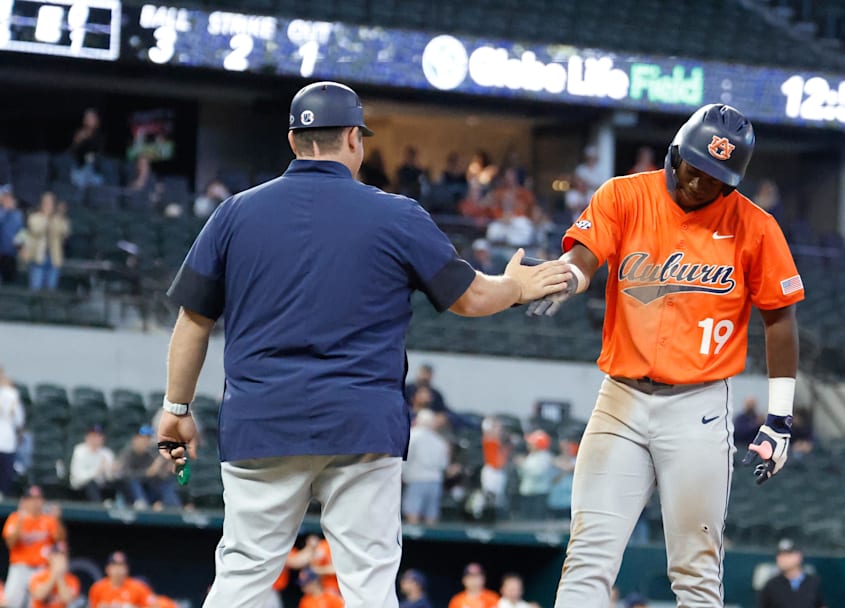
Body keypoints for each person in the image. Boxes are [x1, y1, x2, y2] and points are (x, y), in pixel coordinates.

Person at [157, 81, 571, 607]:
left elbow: (192, 322)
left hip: (263, 419)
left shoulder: (235, 213)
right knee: (369, 586)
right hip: (361, 424)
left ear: (292, 140)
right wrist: (519, 287)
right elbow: (469, 298)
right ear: (355, 138)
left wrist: (176, 409)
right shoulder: (396, 214)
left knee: (241, 576)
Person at [528, 104, 804, 607]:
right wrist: (566, 276)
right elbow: (584, 254)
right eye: (695, 168)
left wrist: (780, 418)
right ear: (675, 154)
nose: (701, 183)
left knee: (696, 572)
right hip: (622, 401)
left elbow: (780, 317)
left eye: (716, 177)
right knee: (589, 555)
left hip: (698, 408)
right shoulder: (625, 194)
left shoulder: (756, 227)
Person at [3, 486, 65, 608]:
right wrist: (20, 522)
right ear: (24, 501)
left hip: (41, 569)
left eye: (38, 499)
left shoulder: (49, 520)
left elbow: (61, 540)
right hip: (20, 568)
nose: (35, 502)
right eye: (31, 499)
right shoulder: (15, 518)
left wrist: (57, 520)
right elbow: (10, 543)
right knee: (10, 603)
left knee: (37, 604)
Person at [402, 409, 450, 525]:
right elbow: (443, 464)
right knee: (431, 513)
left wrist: (403, 473)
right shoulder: (439, 441)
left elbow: (405, 457)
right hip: (435, 480)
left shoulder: (412, 435)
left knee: (412, 510)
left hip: (416, 479)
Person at [116, 426, 181, 510]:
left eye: (147, 439)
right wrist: (147, 472)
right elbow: (124, 475)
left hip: (147, 492)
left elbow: (154, 477)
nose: (145, 442)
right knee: (134, 481)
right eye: (143, 439)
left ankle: (174, 508)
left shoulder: (149, 455)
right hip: (130, 494)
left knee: (168, 482)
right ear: (135, 439)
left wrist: (163, 472)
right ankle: (142, 505)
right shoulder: (127, 454)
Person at [23, 192, 70, 291]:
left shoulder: (59, 218)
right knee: (35, 289)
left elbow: (64, 232)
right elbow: (37, 229)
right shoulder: (34, 217)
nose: (47, 205)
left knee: (51, 290)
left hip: (54, 258)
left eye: (50, 203)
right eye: (45, 202)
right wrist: (48, 218)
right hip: (38, 258)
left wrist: (60, 216)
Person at [758, 539, 825, 608]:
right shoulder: (771, 585)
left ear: (798, 556)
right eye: (779, 554)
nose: (782, 558)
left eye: (787, 554)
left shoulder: (814, 583)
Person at [87, 552, 153, 608]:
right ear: (107, 569)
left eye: (121, 566)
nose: (118, 569)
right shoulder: (97, 588)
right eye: (114, 566)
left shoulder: (138, 587)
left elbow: (154, 605)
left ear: (127, 569)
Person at [69, 425, 115, 503]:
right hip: (80, 487)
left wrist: (111, 470)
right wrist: (97, 471)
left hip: (101, 486)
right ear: (87, 437)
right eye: (93, 436)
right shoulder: (79, 451)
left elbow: (111, 477)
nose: (96, 439)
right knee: (91, 484)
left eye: (99, 436)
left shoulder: (107, 453)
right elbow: (78, 477)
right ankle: (99, 509)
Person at [28, 543, 80, 608]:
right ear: (50, 557)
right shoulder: (38, 576)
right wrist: (54, 575)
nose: (61, 558)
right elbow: (39, 596)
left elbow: (67, 599)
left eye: (64, 555)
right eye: (57, 555)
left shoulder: (72, 579)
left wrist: (60, 577)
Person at [0, 367, 24, 497]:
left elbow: (19, 421)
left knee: (5, 480)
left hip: (7, 444)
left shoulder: (11, 394)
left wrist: (13, 409)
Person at [0, 186, 24, 284]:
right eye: (5, 198)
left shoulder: (18, 214)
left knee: (10, 281)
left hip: (11, 253)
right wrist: (5, 210)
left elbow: (21, 232)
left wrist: (21, 248)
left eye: (10, 198)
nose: (8, 200)